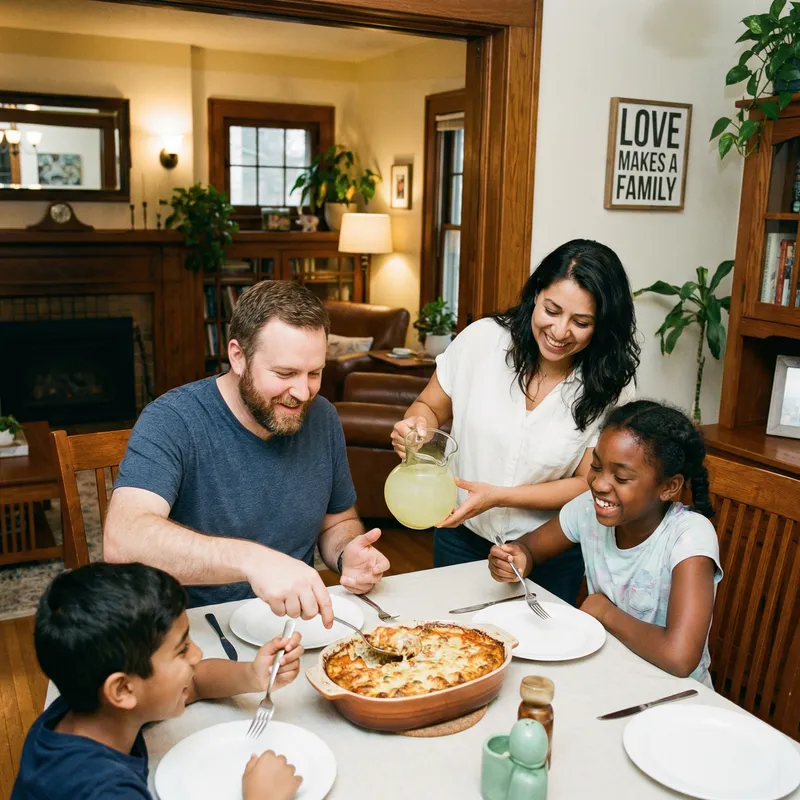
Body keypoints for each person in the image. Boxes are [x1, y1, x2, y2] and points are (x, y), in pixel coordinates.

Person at [105, 280, 390, 619]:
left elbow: (337, 522)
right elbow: (123, 540)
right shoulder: (173, 420)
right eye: (285, 373)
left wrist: (347, 552)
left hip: (291, 625)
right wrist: (253, 561)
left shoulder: (323, 417)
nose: (303, 392)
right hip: (191, 630)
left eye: (314, 373)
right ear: (238, 357)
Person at [392, 239, 639, 603]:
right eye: (551, 310)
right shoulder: (483, 341)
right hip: (461, 536)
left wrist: (500, 497)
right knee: (448, 635)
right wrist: (414, 427)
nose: (560, 331)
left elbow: (587, 482)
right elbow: (428, 406)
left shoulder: (612, 384)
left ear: (601, 324)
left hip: (550, 550)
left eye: (581, 322)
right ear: (536, 294)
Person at [12, 563, 305, 800]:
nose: (197, 654)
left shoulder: (85, 705)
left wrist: (252, 675)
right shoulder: (105, 791)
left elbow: (195, 683)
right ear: (122, 689)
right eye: (181, 649)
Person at [489, 401, 723, 686]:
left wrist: (603, 611)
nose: (599, 484)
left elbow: (680, 657)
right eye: (596, 467)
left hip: (674, 694)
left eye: (621, 477)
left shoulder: (689, 536)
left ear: (669, 487)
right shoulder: (588, 509)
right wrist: (516, 559)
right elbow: (529, 549)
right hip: (609, 673)